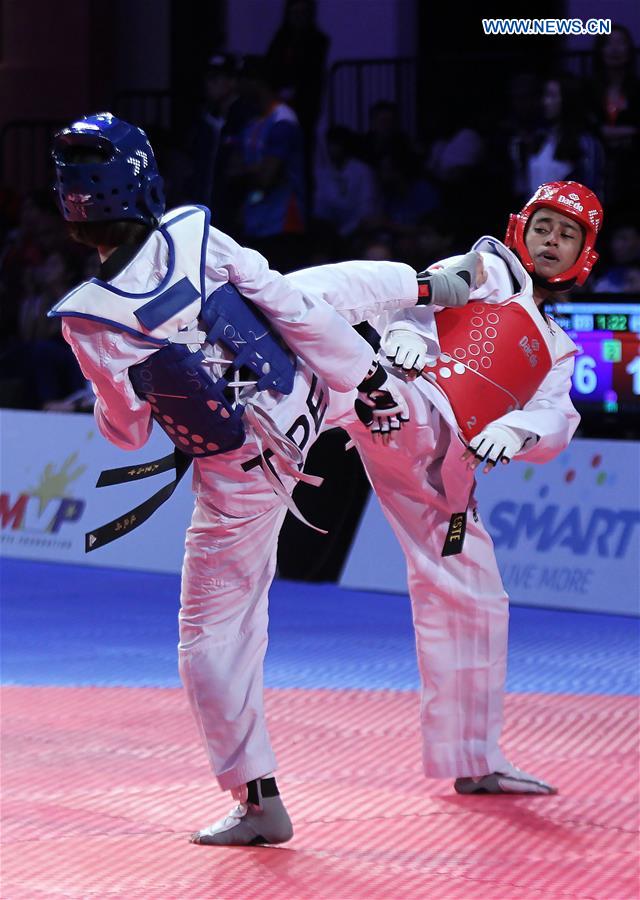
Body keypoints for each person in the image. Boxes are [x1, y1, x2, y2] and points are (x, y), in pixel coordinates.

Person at [47, 112, 482, 845]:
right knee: (301, 287)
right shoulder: (194, 234)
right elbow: (292, 305)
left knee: (210, 639)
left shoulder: (89, 319)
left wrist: (123, 390)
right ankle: (428, 286)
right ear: (143, 181)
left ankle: (258, 801)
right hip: (315, 387)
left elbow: (124, 429)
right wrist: (366, 379)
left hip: (246, 471)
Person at [319, 180, 603, 796]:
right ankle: (237, 347)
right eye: (544, 228)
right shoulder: (490, 266)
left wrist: (522, 430)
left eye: (567, 235)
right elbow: (421, 290)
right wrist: (401, 337)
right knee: (329, 367)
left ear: (584, 254)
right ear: (520, 229)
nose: (552, 242)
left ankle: (474, 759)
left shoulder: (559, 348)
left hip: (444, 473)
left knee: (477, 597)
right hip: (400, 401)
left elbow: (559, 419)